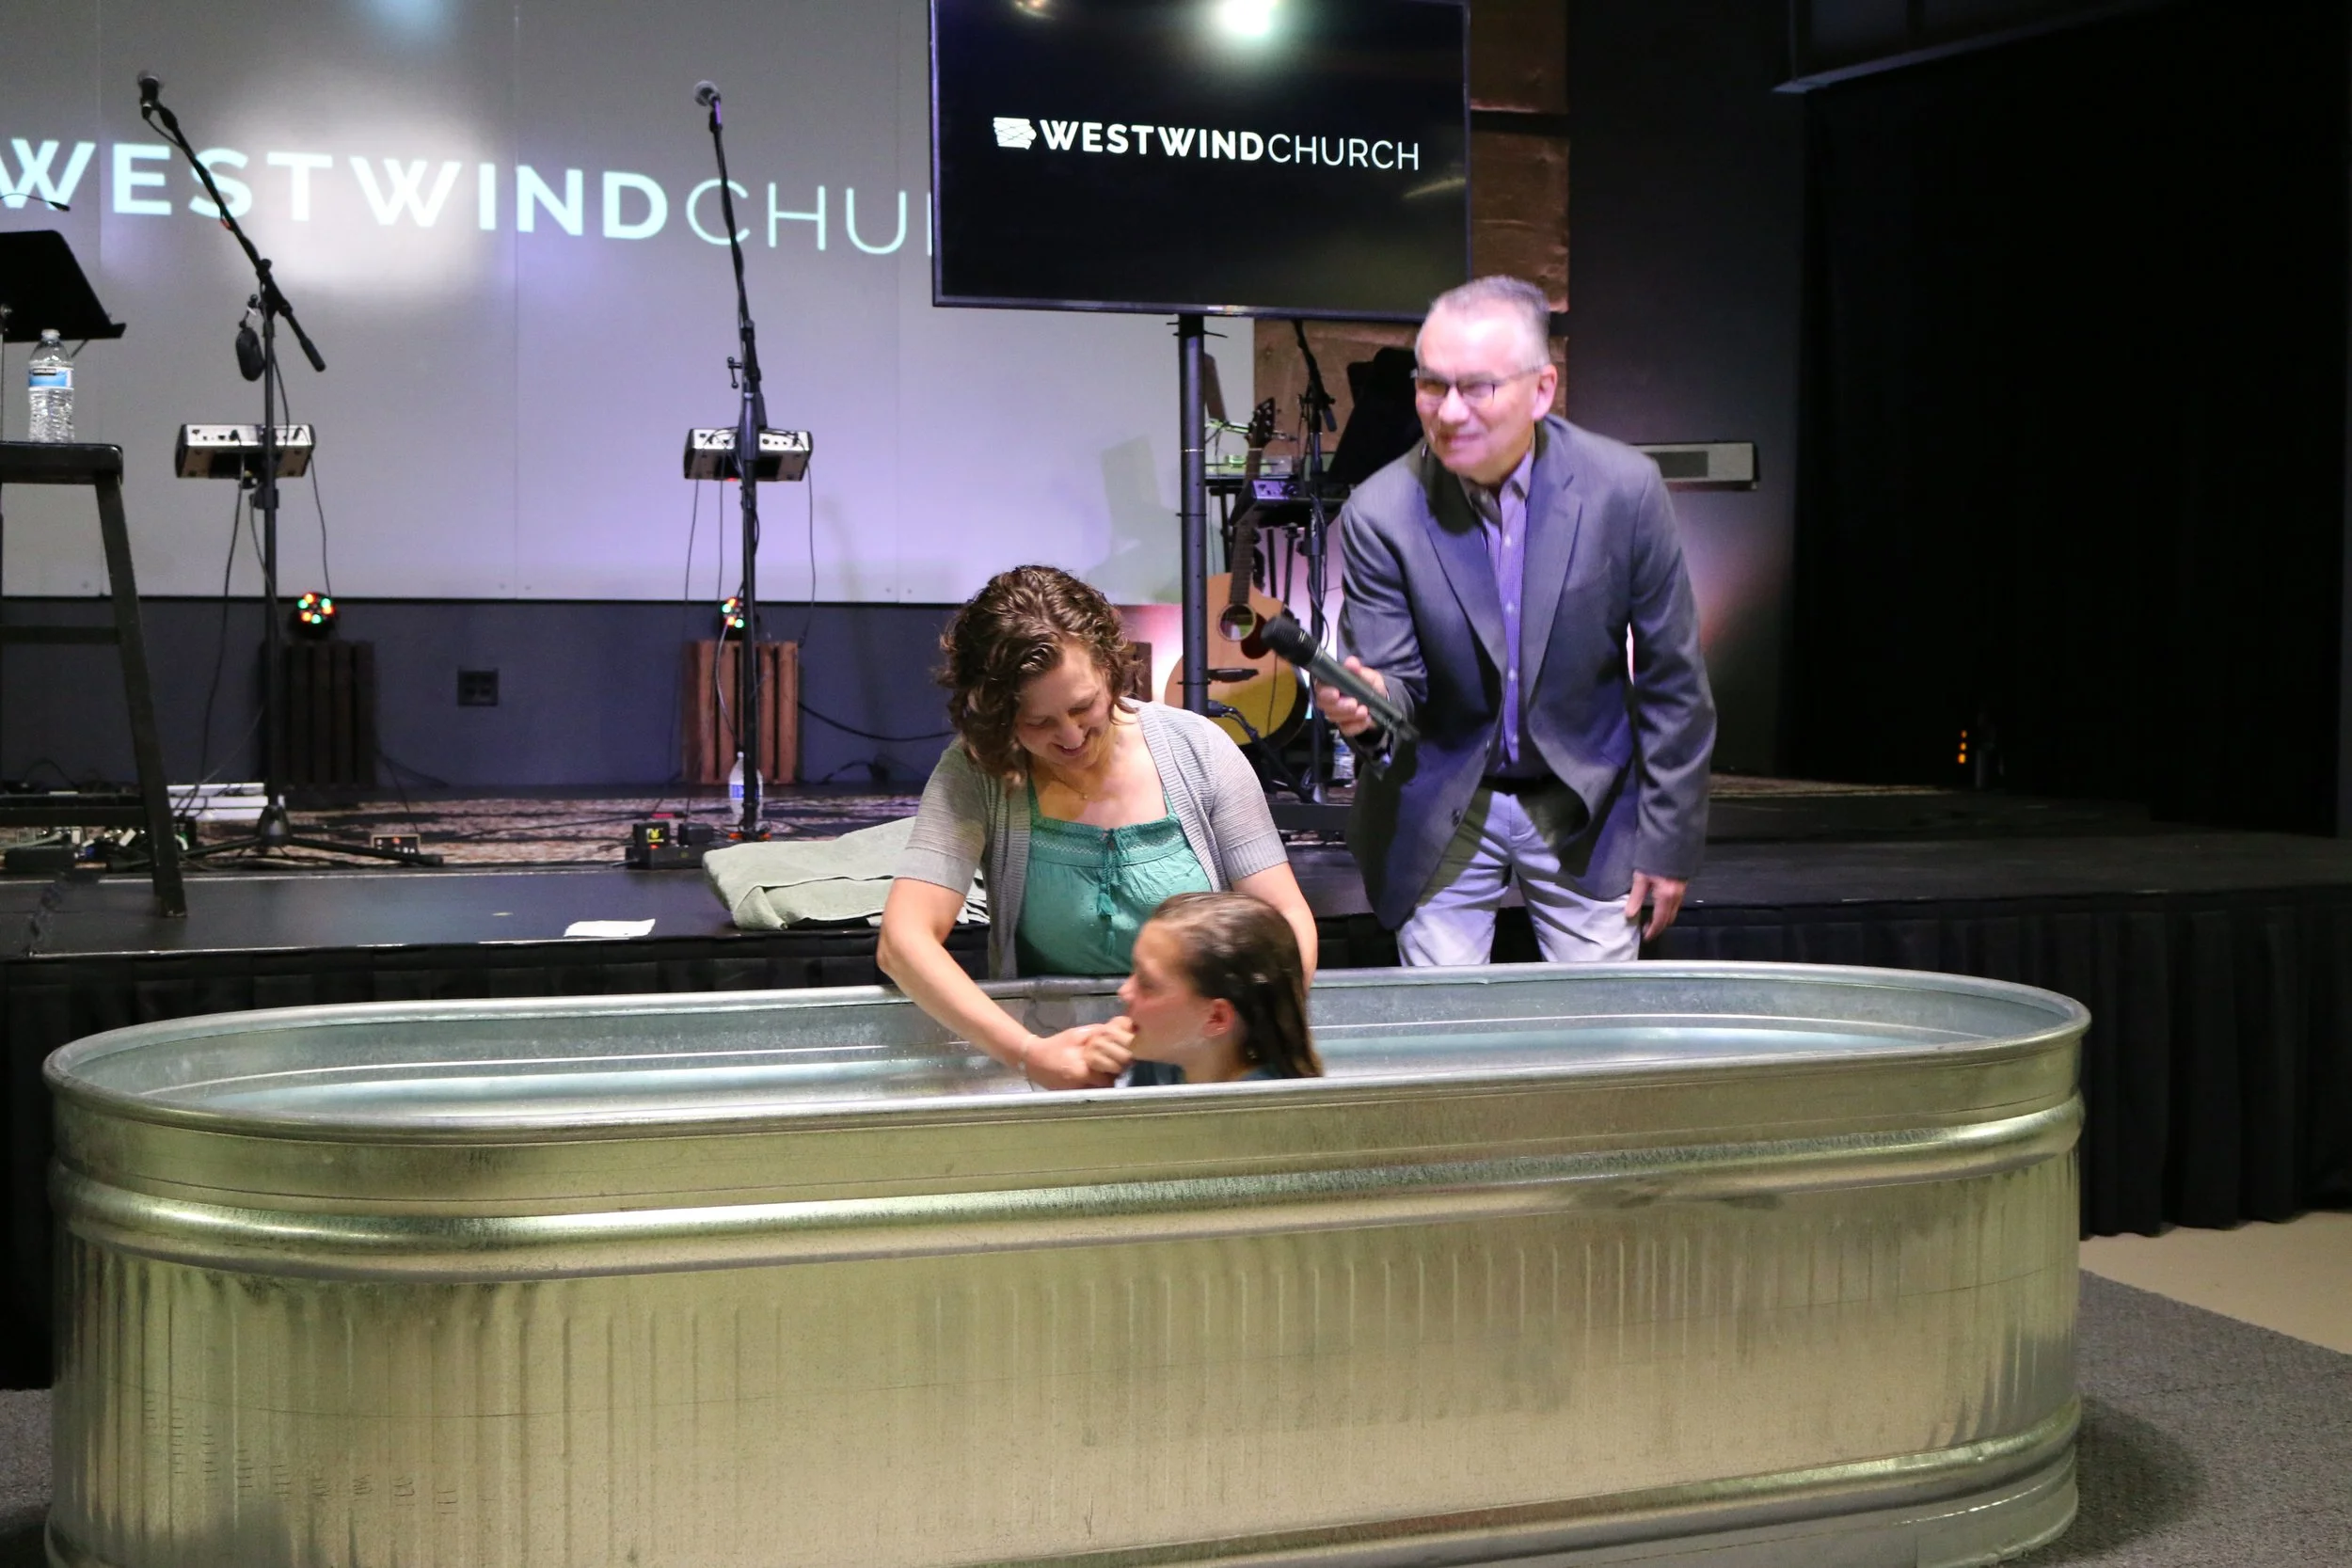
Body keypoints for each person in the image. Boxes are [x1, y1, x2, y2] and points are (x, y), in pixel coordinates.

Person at [1315, 276, 1716, 965]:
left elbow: (1672, 681)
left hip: (1580, 786)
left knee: (1600, 1031)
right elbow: (1397, 686)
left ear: (1541, 389)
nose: (1448, 411)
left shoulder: (1623, 489)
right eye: (1431, 385)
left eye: (1477, 387)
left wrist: (1668, 839)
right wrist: (1368, 705)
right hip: (1442, 788)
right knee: (1449, 1034)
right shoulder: (1381, 513)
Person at [879, 564, 1318, 1089]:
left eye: (1083, 706)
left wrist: (1244, 1040)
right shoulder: (978, 770)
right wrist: (1028, 1055)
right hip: (1052, 1064)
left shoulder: (1198, 749)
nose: (1069, 737)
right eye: (1036, 722)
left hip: (1203, 1063)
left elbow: (1285, 917)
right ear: (997, 718)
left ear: (1111, 669)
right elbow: (903, 941)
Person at [1115, 891, 1323, 1085]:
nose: (1123, 992)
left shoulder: (1261, 1113)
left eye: (1147, 984)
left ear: (1217, 1017)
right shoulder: (1162, 1064)